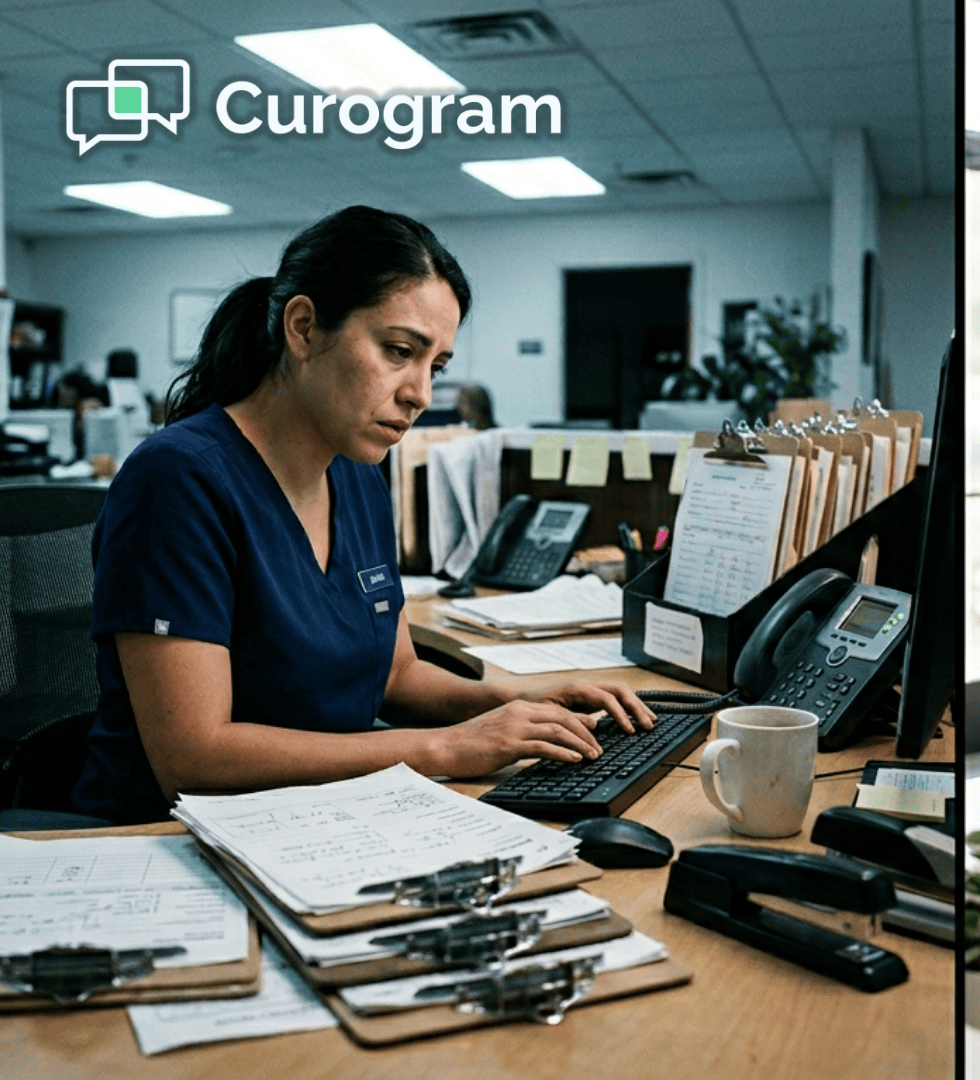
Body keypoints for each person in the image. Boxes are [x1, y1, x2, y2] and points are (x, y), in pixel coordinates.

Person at [74, 206, 653, 825]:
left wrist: (517, 700)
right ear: (303, 329)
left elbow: (394, 675)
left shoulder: (358, 473)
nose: (421, 395)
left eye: (436, 367)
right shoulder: (178, 479)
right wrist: (444, 748)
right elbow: (195, 758)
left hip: (327, 820)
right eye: (399, 351)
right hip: (166, 840)